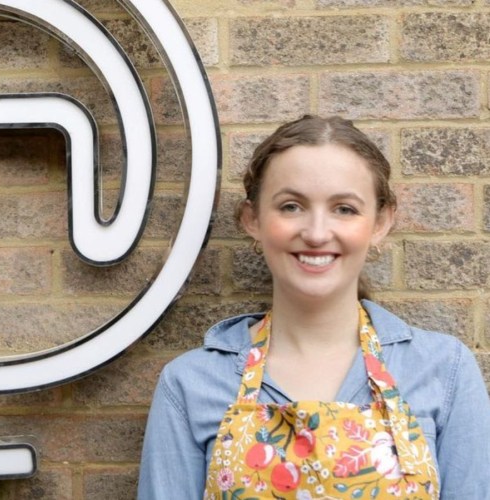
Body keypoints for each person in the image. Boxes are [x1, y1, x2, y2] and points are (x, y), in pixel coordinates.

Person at [138, 115, 490, 499]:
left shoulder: (444, 370)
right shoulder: (190, 383)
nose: (317, 233)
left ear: (381, 222)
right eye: (291, 206)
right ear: (252, 219)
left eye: (345, 209)